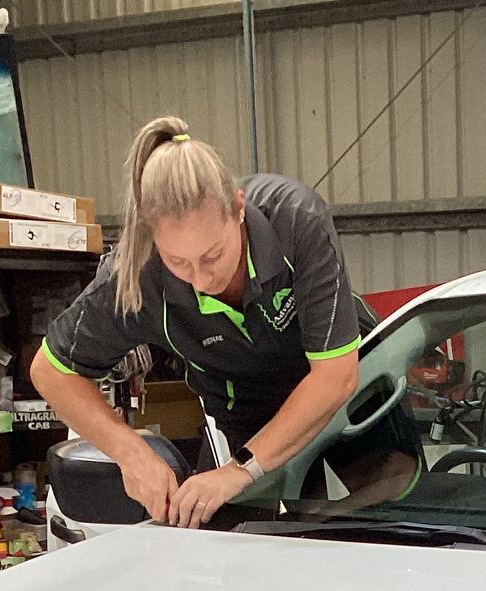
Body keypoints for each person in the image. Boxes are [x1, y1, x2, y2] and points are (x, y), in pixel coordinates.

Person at [31, 116, 420, 528]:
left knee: (390, 532)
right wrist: (131, 453)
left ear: (239, 208)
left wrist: (241, 470)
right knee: (230, 549)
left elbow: (335, 376)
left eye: (213, 255)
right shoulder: (133, 275)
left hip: (352, 399)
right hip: (241, 415)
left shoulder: (294, 220)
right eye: (178, 262)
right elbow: (51, 371)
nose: (200, 279)